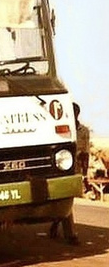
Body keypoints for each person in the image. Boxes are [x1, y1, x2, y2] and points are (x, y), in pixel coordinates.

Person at [49, 102, 86, 245]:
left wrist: (85, 171)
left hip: (75, 167)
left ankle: (58, 226)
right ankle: (70, 234)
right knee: (65, 200)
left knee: (68, 201)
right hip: (63, 166)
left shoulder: (84, 131)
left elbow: (86, 153)